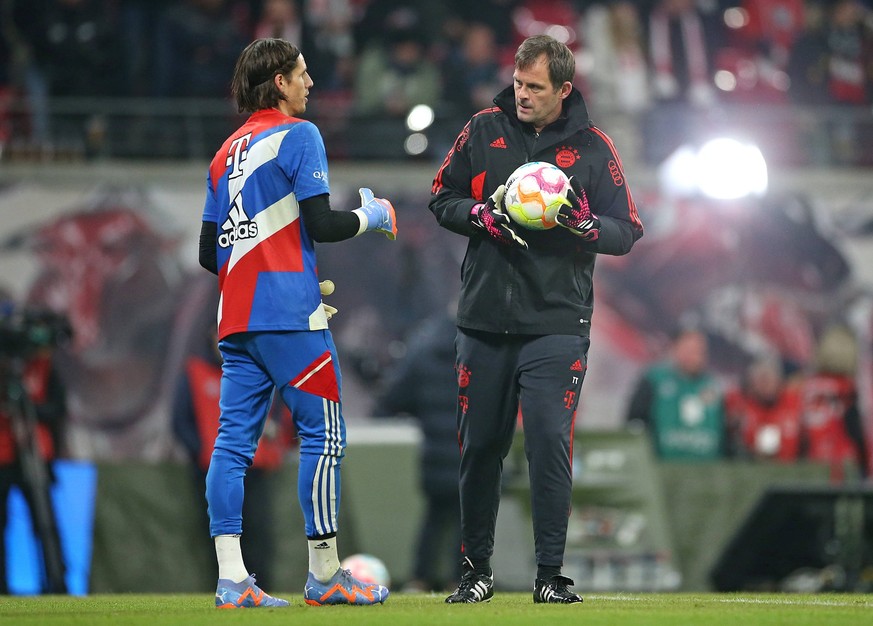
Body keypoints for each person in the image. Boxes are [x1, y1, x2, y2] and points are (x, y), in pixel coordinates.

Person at [429, 35, 643, 604]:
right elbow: (441, 196)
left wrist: (585, 226)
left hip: (555, 325)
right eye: (518, 83)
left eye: (535, 87)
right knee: (480, 449)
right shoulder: (482, 129)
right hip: (483, 322)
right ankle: (476, 572)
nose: (521, 95)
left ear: (564, 90)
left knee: (549, 443)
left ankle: (550, 576)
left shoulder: (594, 148)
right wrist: (480, 216)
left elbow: (627, 230)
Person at [198, 37, 396, 609]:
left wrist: (267, 264)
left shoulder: (223, 154)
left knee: (232, 445)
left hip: (236, 317)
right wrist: (374, 215)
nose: (311, 83)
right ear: (279, 82)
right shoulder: (299, 135)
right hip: (288, 314)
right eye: (303, 74)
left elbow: (211, 254)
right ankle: (326, 574)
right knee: (323, 434)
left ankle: (232, 579)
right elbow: (324, 224)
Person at [372, 305, 462, 593]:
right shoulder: (479, 351)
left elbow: (393, 399)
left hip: (433, 454)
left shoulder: (424, 349)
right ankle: (461, 579)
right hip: (468, 452)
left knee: (434, 518)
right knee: (468, 519)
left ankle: (420, 578)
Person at [626, 327, 730, 460]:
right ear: (675, 348)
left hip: (706, 474)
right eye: (690, 349)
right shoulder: (654, 380)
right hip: (661, 470)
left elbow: (724, 432)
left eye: (700, 351)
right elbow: (634, 423)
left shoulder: (713, 386)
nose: (696, 356)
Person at [724, 356, 803, 462]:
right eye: (762, 379)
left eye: (770, 378)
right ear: (752, 383)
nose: (766, 384)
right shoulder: (741, 406)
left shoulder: (794, 401)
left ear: (779, 380)